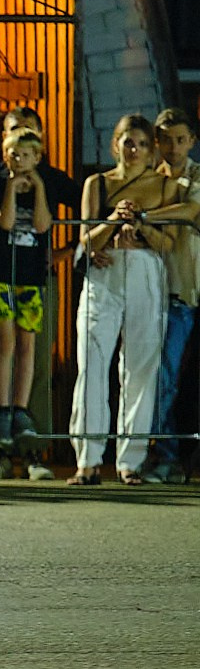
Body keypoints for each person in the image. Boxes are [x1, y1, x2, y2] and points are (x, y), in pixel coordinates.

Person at [71, 113, 176, 485]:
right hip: (105, 274)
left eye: (142, 144)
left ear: (151, 150)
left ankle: (130, 460)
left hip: (146, 271)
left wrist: (142, 226)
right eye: (128, 142)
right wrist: (113, 221)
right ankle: (87, 459)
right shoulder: (97, 184)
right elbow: (86, 240)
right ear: (115, 144)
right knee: (92, 363)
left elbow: (168, 242)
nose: (134, 150)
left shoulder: (164, 186)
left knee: (140, 368)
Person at [0, 126, 54, 481]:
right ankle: (3, 410)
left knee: (27, 344)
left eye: (25, 155)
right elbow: (5, 222)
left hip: (31, 277)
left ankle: (21, 409)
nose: (18, 160)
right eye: (13, 154)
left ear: (37, 157)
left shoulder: (41, 183)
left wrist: (38, 189)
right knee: (3, 344)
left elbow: (42, 225)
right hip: (1, 275)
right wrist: (10, 187)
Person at [143, 108, 200, 482]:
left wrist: (146, 217)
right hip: (167, 290)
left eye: (180, 139)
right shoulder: (150, 177)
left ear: (191, 141)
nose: (173, 147)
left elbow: (191, 210)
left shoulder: (196, 176)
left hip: (193, 285)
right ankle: (165, 455)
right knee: (164, 377)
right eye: (166, 139)